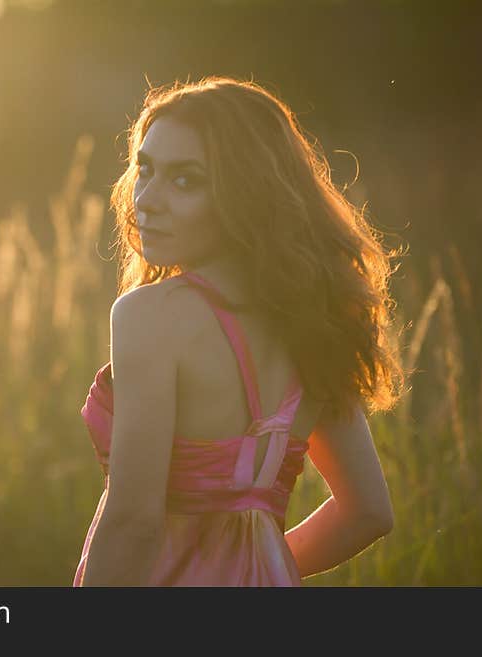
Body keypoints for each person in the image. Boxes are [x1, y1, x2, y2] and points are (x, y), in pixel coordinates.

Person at [72, 76, 408, 586]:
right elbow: (368, 512)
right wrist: (255, 569)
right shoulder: (314, 322)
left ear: (246, 193)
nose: (148, 199)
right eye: (145, 170)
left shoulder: (148, 315)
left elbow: (134, 522)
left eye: (186, 180)